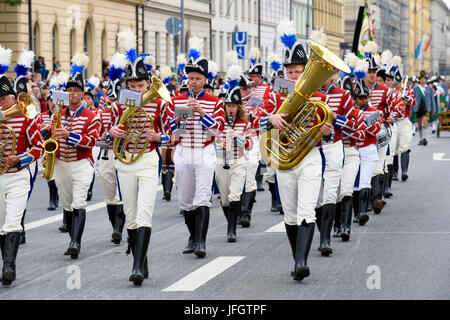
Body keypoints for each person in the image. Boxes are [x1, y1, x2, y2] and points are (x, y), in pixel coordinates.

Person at [255, 21, 333, 281]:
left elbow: (329, 127)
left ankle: (302, 262)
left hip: (309, 156)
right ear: (284, 72)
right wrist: (271, 119)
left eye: (300, 71)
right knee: (289, 215)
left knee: (306, 211)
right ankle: (296, 258)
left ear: (307, 71)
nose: (295, 76)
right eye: (291, 72)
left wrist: (326, 131)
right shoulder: (275, 93)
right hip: (283, 159)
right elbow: (255, 116)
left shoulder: (318, 96)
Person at [109, 30, 170, 286]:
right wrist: (112, 130)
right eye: (131, 86)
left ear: (148, 84)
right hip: (124, 160)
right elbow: (108, 131)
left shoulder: (161, 103)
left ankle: (135, 266)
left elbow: (171, 134)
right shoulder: (117, 105)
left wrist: (157, 136)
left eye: (140, 86)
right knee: (131, 214)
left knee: (145, 212)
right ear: (126, 86)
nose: (135, 89)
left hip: (146, 158)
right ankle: (141, 262)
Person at [167, 37, 225, 259]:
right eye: (190, 78)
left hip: (204, 150)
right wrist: (179, 122)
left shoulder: (215, 101)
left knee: (202, 197)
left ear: (204, 80)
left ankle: (201, 242)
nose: (193, 82)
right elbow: (172, 132)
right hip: (183, 151)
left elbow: (217, 131)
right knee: (185, 200)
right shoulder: (177, 99)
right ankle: (192, 236)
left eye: (197, 78)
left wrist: (201, 112)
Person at [47, 52, 100, 260]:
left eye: (76, 91)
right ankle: (72, 239)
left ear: (82, 94)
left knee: (79, 202)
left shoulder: (91, 116)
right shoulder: (56, 115)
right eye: (69, 90)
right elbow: (49, 138)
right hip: (61, 163)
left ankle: (75, 242)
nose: (72, 94)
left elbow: (91, 141)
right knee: (67, 204)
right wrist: (47, 131)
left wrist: (70, 135)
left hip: (81, 163)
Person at [0, 46, 44, 285]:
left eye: (5, 99)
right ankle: (5, 264)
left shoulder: (26, 118)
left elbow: (38, 148)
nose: (3, 104)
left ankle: (9, 266)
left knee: (13, 221)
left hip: (17, 175)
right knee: (1, 224)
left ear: (13, 98)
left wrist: (20, 158)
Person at [215, 64, 253, 243]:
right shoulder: (219, 123)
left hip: (238, 161)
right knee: (224, 200)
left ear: (239, 108)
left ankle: (231, 230)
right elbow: (210, 142)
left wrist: (237, 137)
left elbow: (250, 144)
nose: (231, 109)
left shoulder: (245, 124)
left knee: (235, 195)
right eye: (228, 106)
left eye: (234, 106)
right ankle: (231, 220)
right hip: (221, 160)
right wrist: (219, 143)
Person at [98, 52, 127, 245]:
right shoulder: (102, 108)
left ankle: (119, 228)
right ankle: (114, 226)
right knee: (109, 193)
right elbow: (97, 136)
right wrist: (107, 134)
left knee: (123, 190)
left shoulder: (127, 106)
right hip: (107, 152)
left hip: (124, 153)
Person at [352, 59, 382, 226]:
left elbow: (373, 130)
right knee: (354, 183)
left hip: (368, 149)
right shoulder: (352, 111)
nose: (362, 100)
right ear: (355, 98)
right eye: (359, 98)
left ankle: (363, 211)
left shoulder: (374, 112)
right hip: (354, 149)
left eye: (365, 97)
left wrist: (359, 123)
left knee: (364, 181)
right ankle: (357, 213)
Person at [413, 73, 436, 146]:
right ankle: (420, 138)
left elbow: (432, 99)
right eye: (421, 79)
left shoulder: (429, 88)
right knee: (419, 124)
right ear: (419, 80)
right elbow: (413, 99)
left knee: (425, 121)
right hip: (418, 107)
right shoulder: (415, 89)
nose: (423, 80)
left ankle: (425, 138)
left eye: (424, 79)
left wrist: (433, 109)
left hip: (426, 107)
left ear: (426, 80)